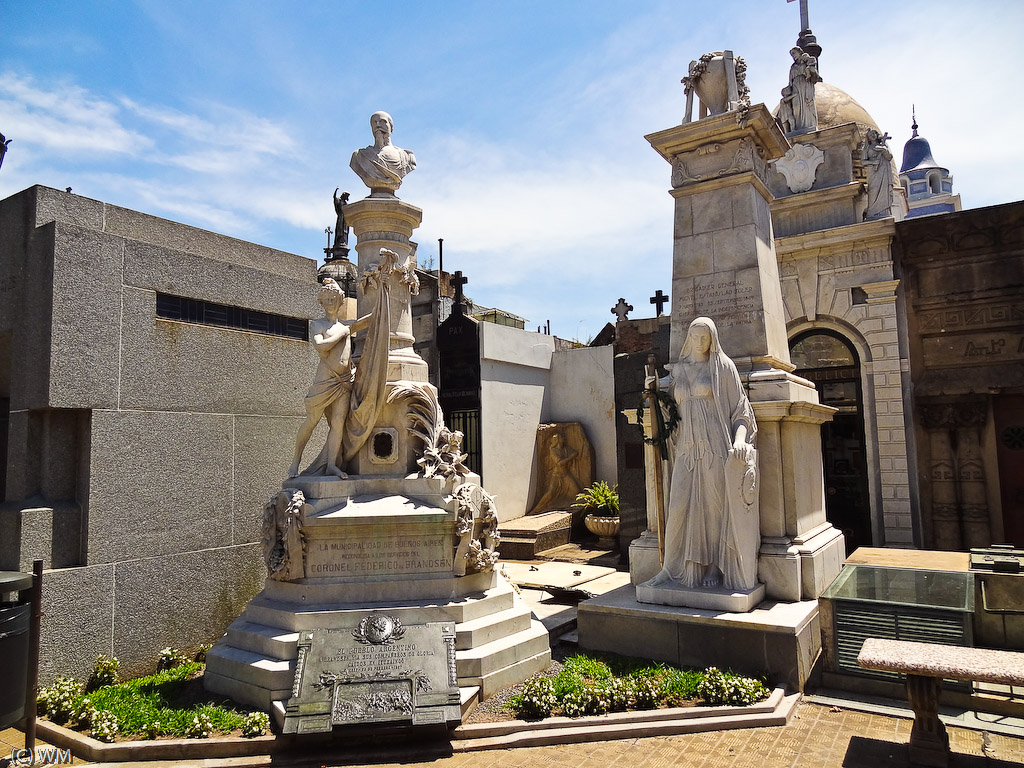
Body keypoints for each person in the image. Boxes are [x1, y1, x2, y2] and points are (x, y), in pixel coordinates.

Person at [645, 317, 759, 590]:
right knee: (678, 507)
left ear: (713, 339)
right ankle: (671, 567)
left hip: (715, 446)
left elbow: (741, 409)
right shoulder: (679, 371)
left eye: (704, 337)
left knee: (713, 508)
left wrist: (739, 440)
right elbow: (665, 402)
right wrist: (652, 386)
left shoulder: (723, 367)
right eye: (695, 337)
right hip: (686, 448)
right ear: (688, 338)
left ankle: (712, 567)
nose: (699, 342)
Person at [288, 278, 370, 478]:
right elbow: (321, 347)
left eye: (334, 298)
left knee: (338, 423)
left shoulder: (346, 326)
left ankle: (332, 464)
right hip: (325, 381)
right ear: (321, 302)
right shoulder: (318, 325)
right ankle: (295, 462)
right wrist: (342, 333)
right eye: (327, 299)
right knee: (312, 420)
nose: (330, 302)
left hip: (344, 382)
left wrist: (385, 296)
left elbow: (366, 321)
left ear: (341, 301)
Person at [349, 111, 417, 195]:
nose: (378, 125)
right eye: (374, 122)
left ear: (391, 128)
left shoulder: (407, 157)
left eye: (383, 121)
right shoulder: (359, 156)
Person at [529, 432, 581, 514]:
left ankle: (565, 505)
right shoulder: (553, 450)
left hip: (565, 474)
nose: (564, 438)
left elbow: (575, 453)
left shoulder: (565, 449)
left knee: (576, 491)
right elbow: (559, 463)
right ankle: (537, 509)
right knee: (550, 493)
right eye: (562, 437)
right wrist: (571, 457)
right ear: (557, 440)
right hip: (556, 475)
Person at [778, 47, 819, 135]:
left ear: (799, 52)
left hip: (805, 86)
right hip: (795, 89)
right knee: (796, 107)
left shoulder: (807, 61)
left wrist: (808, 63)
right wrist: (786, 92)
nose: (793, 56)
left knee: (806, 105)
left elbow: (814, 74)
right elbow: (790, 82)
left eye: (794, 53)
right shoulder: (793, 67)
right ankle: (797, 128)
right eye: (791, 55)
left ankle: (809, 125)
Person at [862, 128, 894, 220]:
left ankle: (883, 211)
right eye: (870, 134)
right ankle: (872, 212)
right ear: (868, 137)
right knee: (873, 191)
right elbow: (863, 161)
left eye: (874, 133)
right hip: (873, 173)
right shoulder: (867, 148)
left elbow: (889, 157)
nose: (872, 135)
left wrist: (884, 150)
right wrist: (873, 162)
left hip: (884, 171)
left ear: (877, 135)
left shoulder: (883, 146)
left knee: (884, 190)